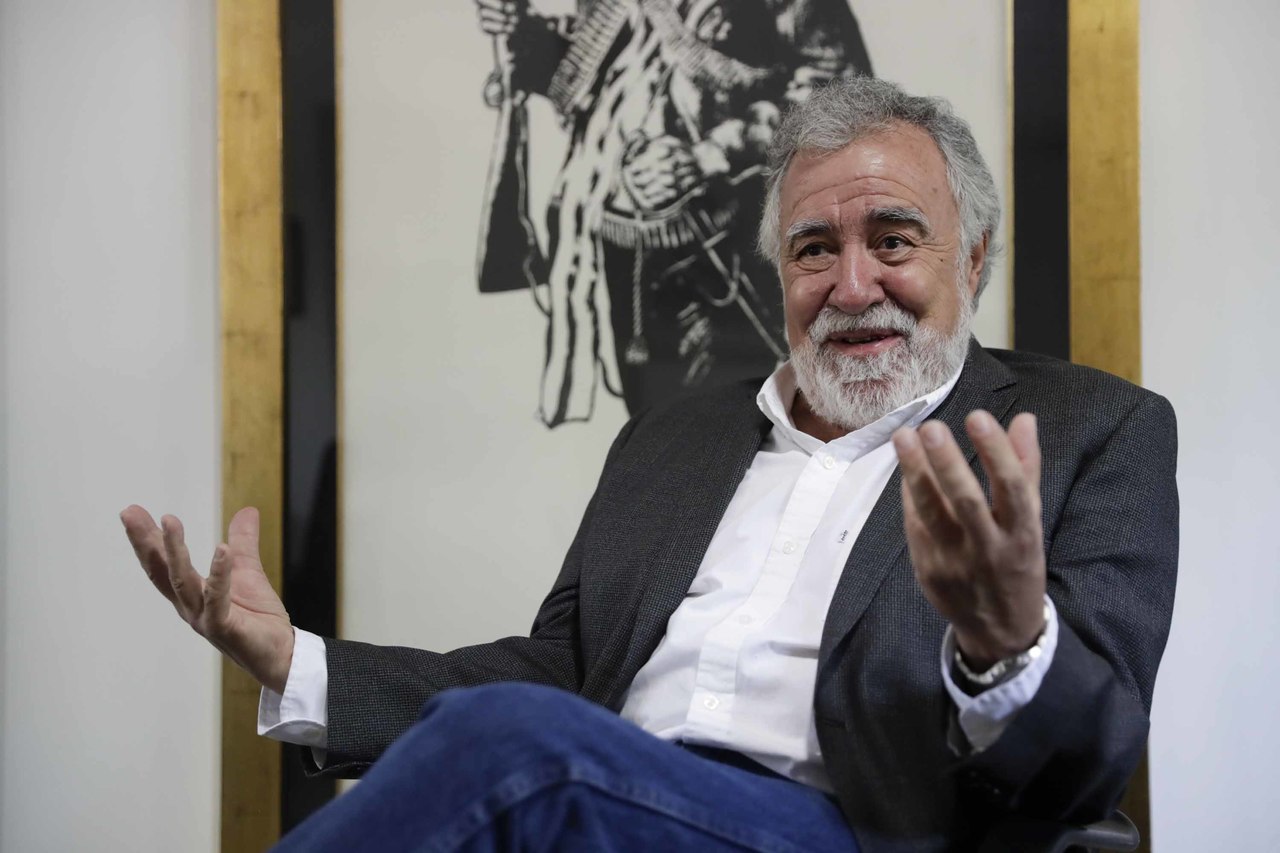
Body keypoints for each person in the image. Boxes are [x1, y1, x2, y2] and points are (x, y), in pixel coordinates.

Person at [121, 77, 1178, 851]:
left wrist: (1005, 643)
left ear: (973, 258)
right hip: (612, 803)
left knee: (524, 752)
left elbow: (1095, 752)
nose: (851, 284)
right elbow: (560, 673)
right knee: (522, 741)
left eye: (893, 240)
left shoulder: (1089, 428)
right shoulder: (675, 437)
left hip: (858, 829)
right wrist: (296, 662)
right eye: (813, 248)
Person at [472, 0, 873, 424]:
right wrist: (528, 38)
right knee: (650, 418)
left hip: (731, 243)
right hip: (617, 238)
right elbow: (587, 81)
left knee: (723, 422)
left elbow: (839, 100)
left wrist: (711, 153)